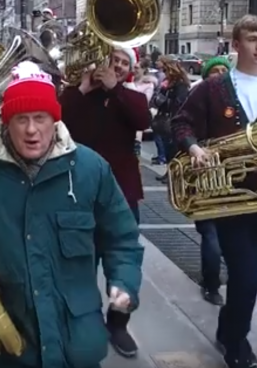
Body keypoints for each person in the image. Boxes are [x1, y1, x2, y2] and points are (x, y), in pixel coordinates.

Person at [0, 60, 143, 368]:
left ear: (55, 119)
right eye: (21, 118)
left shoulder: (91, 168)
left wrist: (124, 282)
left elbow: (122, 238)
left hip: (74, 342)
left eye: (40, 117)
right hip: (2, 343)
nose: (32, 130)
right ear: (6, 122)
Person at [171, 15, 257, 368]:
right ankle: (236, 344)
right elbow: (181, 122)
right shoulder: (212, 88)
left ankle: (228, 326)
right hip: (227, 200)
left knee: (252, 276)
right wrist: (195, 149)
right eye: (252, 39)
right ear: (236, 45)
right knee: (245, 274)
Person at [59, 46, 150, 358]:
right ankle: (80, 319)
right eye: (115, 60)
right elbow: (58, 118)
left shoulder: (133, 96)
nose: (120, 66)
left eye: (125, 63)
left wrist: (115, 88)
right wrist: (83, 87)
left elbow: (141, 119)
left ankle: (119, 323)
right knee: (79, 261)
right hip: (79, 192)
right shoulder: (77, 93)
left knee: (123, 260)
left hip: (121, 193)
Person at [192, 55, 231, 307]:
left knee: (225, 235)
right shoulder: (199, 98)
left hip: (230, 177)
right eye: (214, 71)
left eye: (223, 71)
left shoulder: (233, 100)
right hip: (206, 174)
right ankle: (211, 284)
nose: (219, 74)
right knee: (211, 235)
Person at [151, 58, 190, 183]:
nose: (165, 73)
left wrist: (166, 100)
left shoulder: (181, 84)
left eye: (167, 71)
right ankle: (168, 172)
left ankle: (174, 174)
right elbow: (157, 99)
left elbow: (179, 102)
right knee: (167, 148)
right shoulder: (167, 84)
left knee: (173, 149)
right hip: (164, 118)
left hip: (173, 119)